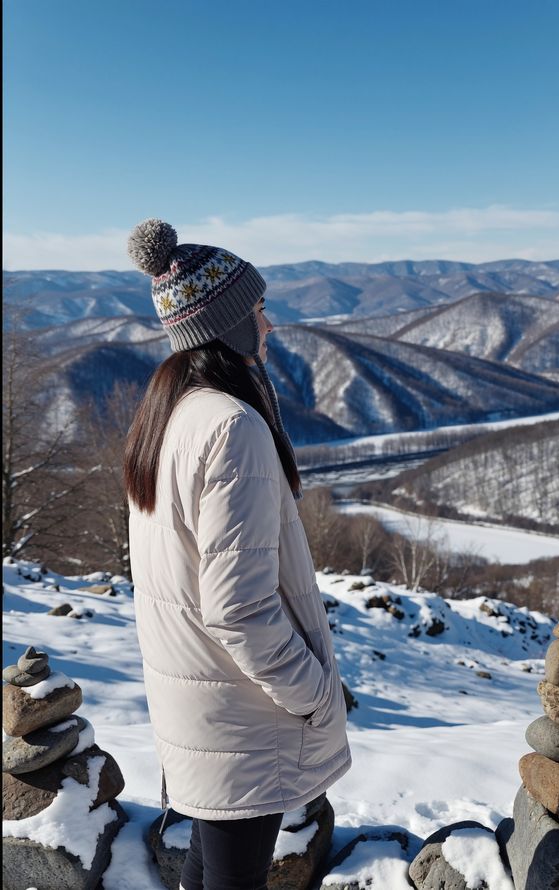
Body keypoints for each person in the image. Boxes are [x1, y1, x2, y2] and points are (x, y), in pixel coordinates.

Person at [124, 219, 352, 890]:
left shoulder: (170, 410)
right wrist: (313, 692)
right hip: (243, 716)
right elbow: (241, 608)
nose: (270, 325)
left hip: (204, 698)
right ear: (225, 322)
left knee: (208, 868)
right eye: (258, 309)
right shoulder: (231, 427)